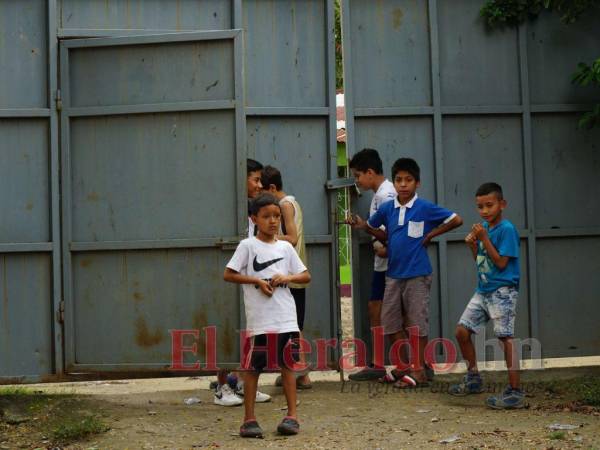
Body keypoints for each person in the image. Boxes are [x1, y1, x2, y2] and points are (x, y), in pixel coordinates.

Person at [349, 157, 462, 387]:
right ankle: (403, 367)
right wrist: (364, 226)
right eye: (399, 179)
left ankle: (419, 371)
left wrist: (431, 235)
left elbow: (456, 219)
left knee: (416, 323)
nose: (403, 184)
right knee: (389, 321)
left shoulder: (425, 207)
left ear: (417, 183)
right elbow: (378, 230)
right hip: (393, 274)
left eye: (408, 180)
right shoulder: (388, 208)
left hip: (418, 274)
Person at [224, 193, 311, 437]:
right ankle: (249, 419)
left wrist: (287, 277)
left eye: (276, 216)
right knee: (253, 369)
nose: (273, 221)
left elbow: (305, 276)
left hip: (286, 318)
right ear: (254, 219)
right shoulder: (247, 246)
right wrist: (256, 281)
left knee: (288, 366)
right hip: (260, 321)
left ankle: (292, 416)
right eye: (266, 216)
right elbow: (228, 274)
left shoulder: (285, 247)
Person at [449, 182, 524, 409]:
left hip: (503, 291)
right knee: (462, 331)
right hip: (483, 290)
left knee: (505, 338)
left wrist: (483, 239)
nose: (484, 211)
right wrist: (473, 245)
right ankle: (473, 378)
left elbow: (501, 263)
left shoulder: (507, 230)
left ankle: (515, 392)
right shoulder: (484, 228)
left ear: (502, 204)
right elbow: (482, 262)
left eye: (489, 205)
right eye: (480, 206)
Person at [213, 158, 271, 406]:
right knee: (230, 330)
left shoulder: (250, 214)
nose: (259, 185)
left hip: (250, 283)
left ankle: (245, 384)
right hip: (236, 278)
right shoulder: (229, 212)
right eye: (255, 179)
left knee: (250, 336)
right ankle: (221, 387)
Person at [345, 149, 396, 381]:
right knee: (377, 310)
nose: (356, 180)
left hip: (389, 263)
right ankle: (380, 363)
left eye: (358, 175)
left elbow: (390, 233)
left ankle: (406, 364)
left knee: (388, 312)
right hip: (382, 263)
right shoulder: (380, 195)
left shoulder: (386, 196)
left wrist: (368, 230)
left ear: (370, 172)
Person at [261, 165, 312, 389]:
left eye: (264, 192)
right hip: (293, 272)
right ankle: (298, 372)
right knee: (294, 323)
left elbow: (291, 237)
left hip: (289, 274)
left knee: (291, 326)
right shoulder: (292, 202)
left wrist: (266, 236)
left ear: (272, 187)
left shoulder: (284, 205)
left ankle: (299, 371)